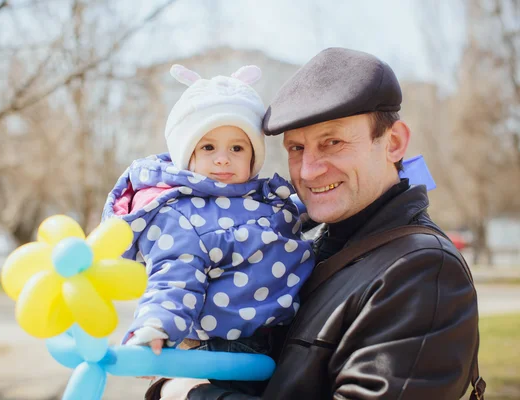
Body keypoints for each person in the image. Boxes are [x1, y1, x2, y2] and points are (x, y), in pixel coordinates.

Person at [146, 48, 482, 400]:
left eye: (332, 142)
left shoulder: (424, 271)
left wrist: (191, 394)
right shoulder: (303, 246)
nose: (308, 171)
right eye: (295, 148)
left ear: (393, 143)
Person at [101, 64, 315, 394]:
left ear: (253, 155)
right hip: (227, 351)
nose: (222, 160)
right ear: (188, 155)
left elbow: (293, 219)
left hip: (282, 342)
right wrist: (156, 325)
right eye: (208, 147)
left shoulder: (261, 198)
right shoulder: (184, 214)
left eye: (237, 148)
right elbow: (175, 273)